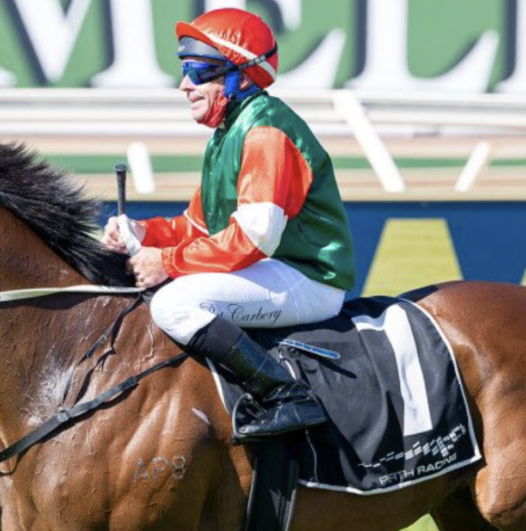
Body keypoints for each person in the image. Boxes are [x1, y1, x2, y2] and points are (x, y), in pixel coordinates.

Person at [102, 8, 355, 444]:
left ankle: (285, 395)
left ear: (242, 76)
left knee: (173, 304)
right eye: (184, 70)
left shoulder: (266, 130)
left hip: (308, 278)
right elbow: (197, 228)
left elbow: (254, 239)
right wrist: (144, 234)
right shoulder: (228, 134)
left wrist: (167, 262)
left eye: (198, 71)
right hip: (273, 270)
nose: (184, 85)